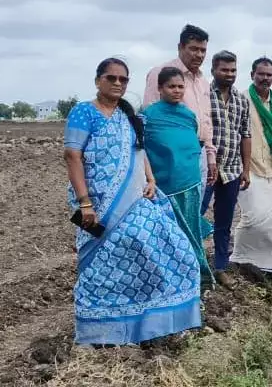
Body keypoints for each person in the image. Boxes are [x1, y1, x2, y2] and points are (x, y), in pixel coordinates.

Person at [64, 58, 201, 346]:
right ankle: (100, 331)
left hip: (136, 198)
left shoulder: (128, 117)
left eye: (123, 80)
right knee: (102, 261)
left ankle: (146, 323)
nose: (117, 83)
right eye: (111, 78)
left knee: (173, 247)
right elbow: (72, 156)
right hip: (97, 207)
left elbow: (139, 154)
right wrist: (85, 203)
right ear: (97, 80)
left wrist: (150, 180)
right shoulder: (83, 113)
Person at [141, 67, 214, 287]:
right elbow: (144, 149)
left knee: (190, 229)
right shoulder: (149, 116)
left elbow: (191, 143)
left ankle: (196, 276)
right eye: (171, 86)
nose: (177, 91)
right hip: (164, 185)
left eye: (180, 86)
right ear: (160, 88)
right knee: (169, 234)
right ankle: (171, 280)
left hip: (190, 182)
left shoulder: (188, 115)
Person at [230, 57, 272, 279]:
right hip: (246, 170)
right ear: (252, 75)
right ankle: (240, 258)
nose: (265, 78)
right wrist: (241, 169)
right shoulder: (240, 100)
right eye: (261, 74)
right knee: (253, 217)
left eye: (269, 75)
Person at [143, 24, 217, 192]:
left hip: (198, 154)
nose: (199, 55)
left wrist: (210, 155)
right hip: (169, 158)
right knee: (170, 208)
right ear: (180, 47)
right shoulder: (159, 73)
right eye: (194, 49)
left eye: (203, 50)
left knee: (194, 207)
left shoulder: (203, 82)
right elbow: (151, 121)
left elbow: (206, 121)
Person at [200, 50, 252, 289]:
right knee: (195, 216)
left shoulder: (241, 100)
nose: (229, 74)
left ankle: (220, 266)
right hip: (204, 169)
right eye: (224, 70)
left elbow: (245, 135)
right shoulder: (202, 95)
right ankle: (193, 266)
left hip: (231, 169)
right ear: (213, 70)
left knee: (224, 221)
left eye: (233, 70)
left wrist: (246, 169)